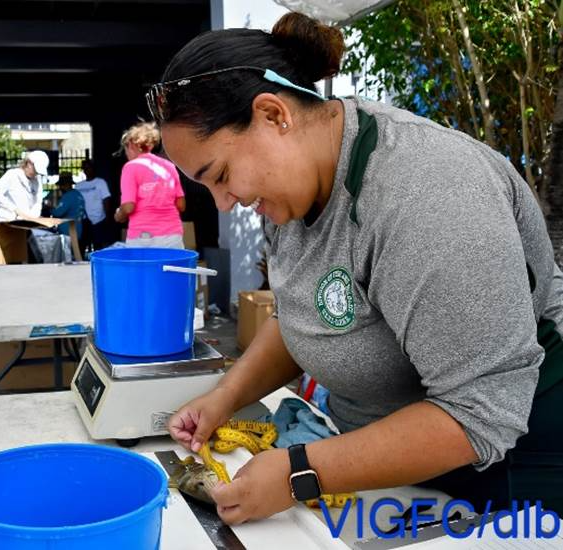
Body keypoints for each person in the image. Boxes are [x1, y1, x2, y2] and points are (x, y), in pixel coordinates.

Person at [157, 12, 563, 524]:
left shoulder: (426, 195)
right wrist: (224, 397)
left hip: (510, 466)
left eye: (220, 175)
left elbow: (480, 412)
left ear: (273, 115)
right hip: (384, 465)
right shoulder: (290, 184)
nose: (222, 202)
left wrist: (299, 472)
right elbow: (309, 316)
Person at [115, 121, 186, 248]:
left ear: (131, 145)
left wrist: (119, 214)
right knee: (171, 268)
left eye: (125, 148)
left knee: (142, 269)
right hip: (172, 236)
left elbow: (128, 207)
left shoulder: (131, 167)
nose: (126, 153)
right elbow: (181, 205)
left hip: (143, 237)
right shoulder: (169, 166)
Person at [0, 150, 49, 221]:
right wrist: (14, 209)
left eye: (38, 172)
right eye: (35, 169)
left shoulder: (37, 180)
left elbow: (38, 202)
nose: (35, 173)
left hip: (25, 224)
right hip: (6, 222)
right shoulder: (12, 175)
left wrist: (33, 217)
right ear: (28, 163)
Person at [75, 159, 112, 252]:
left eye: (89, 168)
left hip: (98, 219)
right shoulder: (78, 186)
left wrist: (107, 217)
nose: (87, 170)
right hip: (83, 220)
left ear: (93, 169)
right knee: (82, 245)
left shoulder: (100, 182)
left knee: (98, 246)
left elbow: (106, 199)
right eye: (85, 168)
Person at [51, 171, 86, 241]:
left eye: (61, 185)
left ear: (65, 184)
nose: (60, 187)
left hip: (68, 233)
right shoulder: (77, 194)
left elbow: (57, 212)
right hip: (78, 230)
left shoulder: (68, 196)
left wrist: (50, 206)